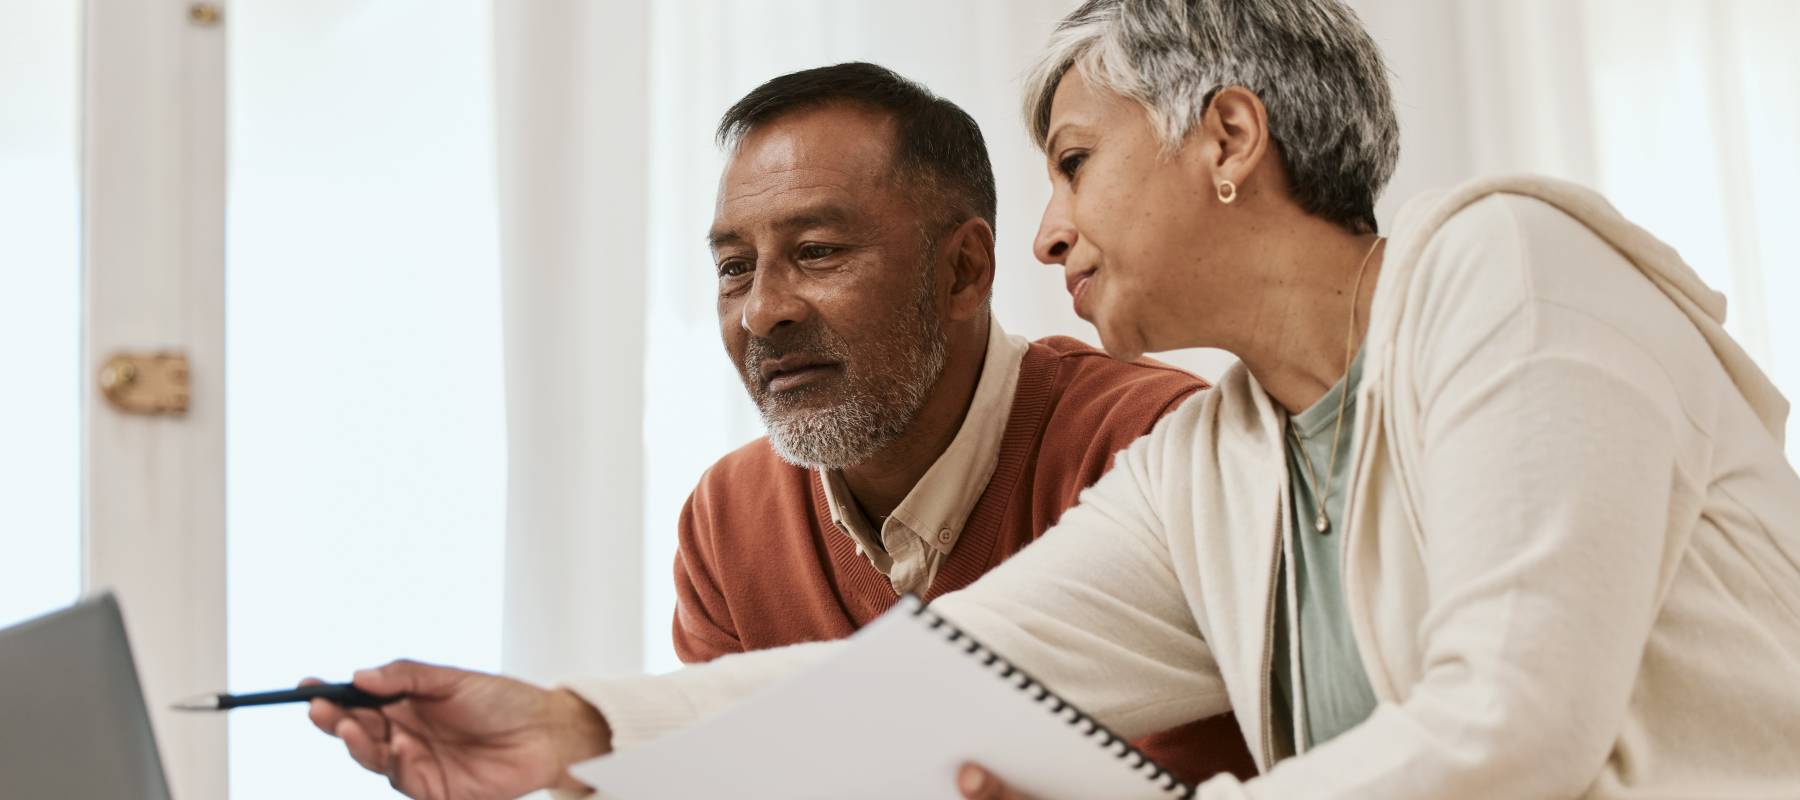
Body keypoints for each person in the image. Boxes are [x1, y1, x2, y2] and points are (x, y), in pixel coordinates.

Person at [310, 2, 1800, 798]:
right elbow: (938, 670)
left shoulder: (1505, 266)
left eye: (1076, 161)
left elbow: (1513, 728)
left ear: (1229, 137)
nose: (1044, 235)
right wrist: (572, 723)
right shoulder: (1222, 462)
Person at [305, 59, 1255, 796]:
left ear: (965, 272)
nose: (762, 312)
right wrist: (567, 745)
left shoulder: (1153, 450)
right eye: (731, 268)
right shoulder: (728, 520)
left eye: (815, 252)